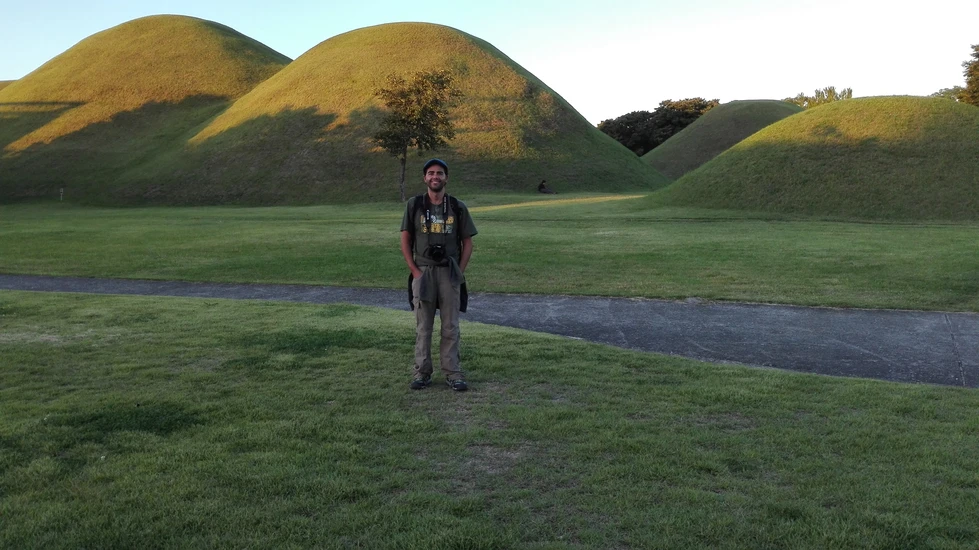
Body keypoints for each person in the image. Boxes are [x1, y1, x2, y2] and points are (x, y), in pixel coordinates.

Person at [400, 159, 477, 391]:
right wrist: (414, 271)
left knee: (450, 325)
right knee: (424, 325)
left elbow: (468, 242)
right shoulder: (414, 205)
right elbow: (405, 239)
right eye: (431, 173)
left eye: (440, 173)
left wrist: (459, 272)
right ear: (425, 178)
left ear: (446, 178)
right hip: (423, 272)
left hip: (449, 272)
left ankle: (453, 372)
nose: (435, 177)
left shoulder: (457, 206)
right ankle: (422, 372)